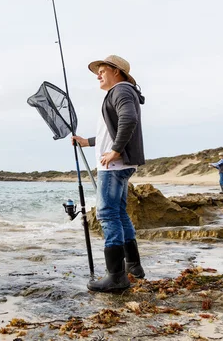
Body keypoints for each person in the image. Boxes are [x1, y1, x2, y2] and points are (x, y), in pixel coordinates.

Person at [72, 55, 146, 293]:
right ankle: (133, 267)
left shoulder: (121, 91)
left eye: (102, 70)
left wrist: (115, 151)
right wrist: (88, 142)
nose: (98, 75)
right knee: (119, 213)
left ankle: (116, 276)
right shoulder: (121, 91)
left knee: (107, 214)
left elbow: (129, 119)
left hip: (114, 166)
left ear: (116, 71)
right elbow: (112, 131)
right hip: (120, 164)